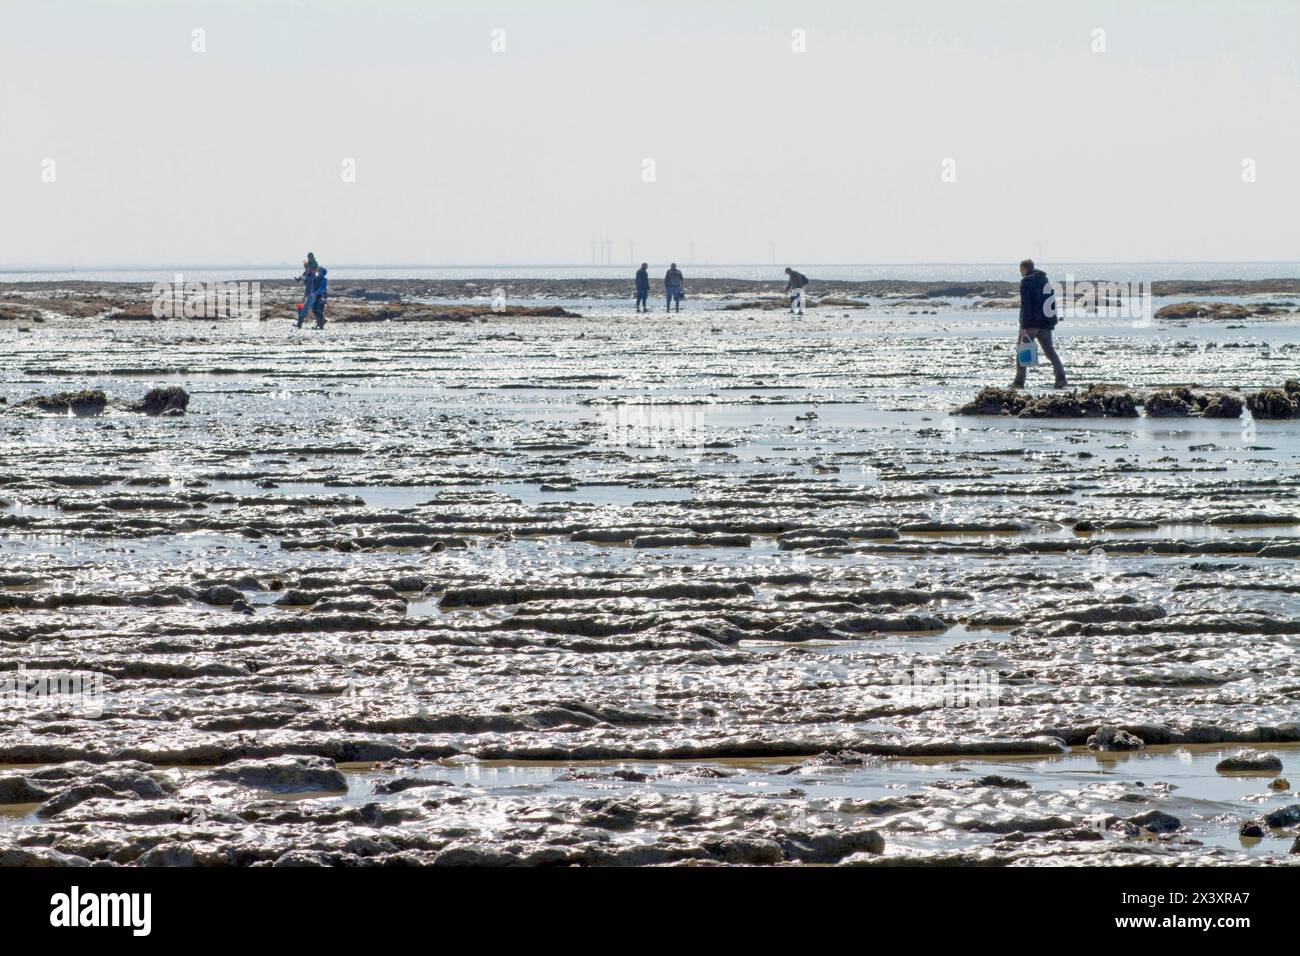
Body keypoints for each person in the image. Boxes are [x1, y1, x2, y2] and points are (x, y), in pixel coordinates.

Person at [1013, 258, 1066, 388]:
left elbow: (1026, 305)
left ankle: (1019, 382)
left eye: (1020, 270)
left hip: (1031, 324)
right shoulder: (1045, 281)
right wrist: (1052, 321)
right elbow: (1051, 302)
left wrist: (1024, 326)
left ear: (1023, 269)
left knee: (1023, 350)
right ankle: (1061, 379)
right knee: (1050, 352)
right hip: (1045, 324)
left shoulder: (1026, 282)